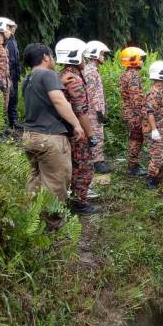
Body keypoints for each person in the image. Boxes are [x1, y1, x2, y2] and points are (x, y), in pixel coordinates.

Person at [21, 43, 85, 204]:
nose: (54, 60)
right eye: (52, 56)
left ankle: (33, 220)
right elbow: (58, 101)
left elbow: (41, 99)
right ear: (45, 57)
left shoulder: (28, 79)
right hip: (49, 137)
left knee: (35, 180)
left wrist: (59, 83)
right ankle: (53, 225)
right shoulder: (48, 75)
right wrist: (77, 125)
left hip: (29, 136)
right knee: (56, 183)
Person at [56, 38, 97, 214]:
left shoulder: (61, 75)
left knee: (71, 166)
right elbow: (81, 112)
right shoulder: (74, 80)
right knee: (84, 166)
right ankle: (80, 202)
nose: (85, 60)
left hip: (63, 130)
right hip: (76, 132)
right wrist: (91, 135)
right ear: (74, 57)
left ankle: (70, 200)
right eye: (82, 56)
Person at [142, 61, 163, 189]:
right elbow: (150, 112)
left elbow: (162, 110)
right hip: (154, 130)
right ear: (162, 75)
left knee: (161, 154)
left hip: (161, 128)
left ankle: (158, 176)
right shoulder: (154, 93)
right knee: (158, 156)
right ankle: (150, 179)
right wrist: (154, 130)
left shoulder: (162, 91)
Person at [83, 40, 112, 174]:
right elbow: (90, 93)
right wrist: (98, 111)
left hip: (95, 110)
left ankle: (95, 160)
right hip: (92, 112)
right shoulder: (90, 71)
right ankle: (96, 162)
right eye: (102, 54)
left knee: (97, 134)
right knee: (96, 135)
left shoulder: (92, 70)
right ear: (94, 54)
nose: (104, 57)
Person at [119, 47, 147, 177]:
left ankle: (133, 164)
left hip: (128, 111)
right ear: (133, 60)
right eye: (141, 59)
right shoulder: (133, 76)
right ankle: (133, 167)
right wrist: (142, 114)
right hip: (134, 114)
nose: (142, 61)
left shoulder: (125, 74)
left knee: (133, 138)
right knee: (135, 139)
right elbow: (136, 99)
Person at [5, 20, 22, 129]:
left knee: (14, 98)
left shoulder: (13, 40)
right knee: (7, 99)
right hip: (8, 74)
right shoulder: (5, 41)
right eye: (12, 27)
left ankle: (14, 121)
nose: (14, 29)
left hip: (15, 74)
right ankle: (8, 122)